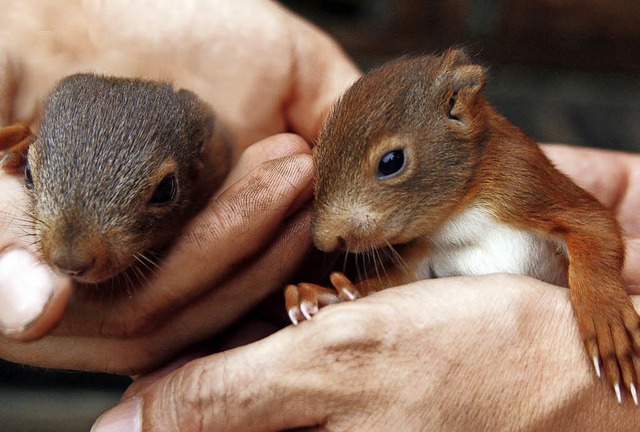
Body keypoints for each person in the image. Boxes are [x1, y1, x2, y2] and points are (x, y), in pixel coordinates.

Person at [0, 1, 638, 431]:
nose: (328, 235)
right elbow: (405, 270)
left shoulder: (506, 175)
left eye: (390, 166)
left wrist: (601, 315)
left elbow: (587, 229)